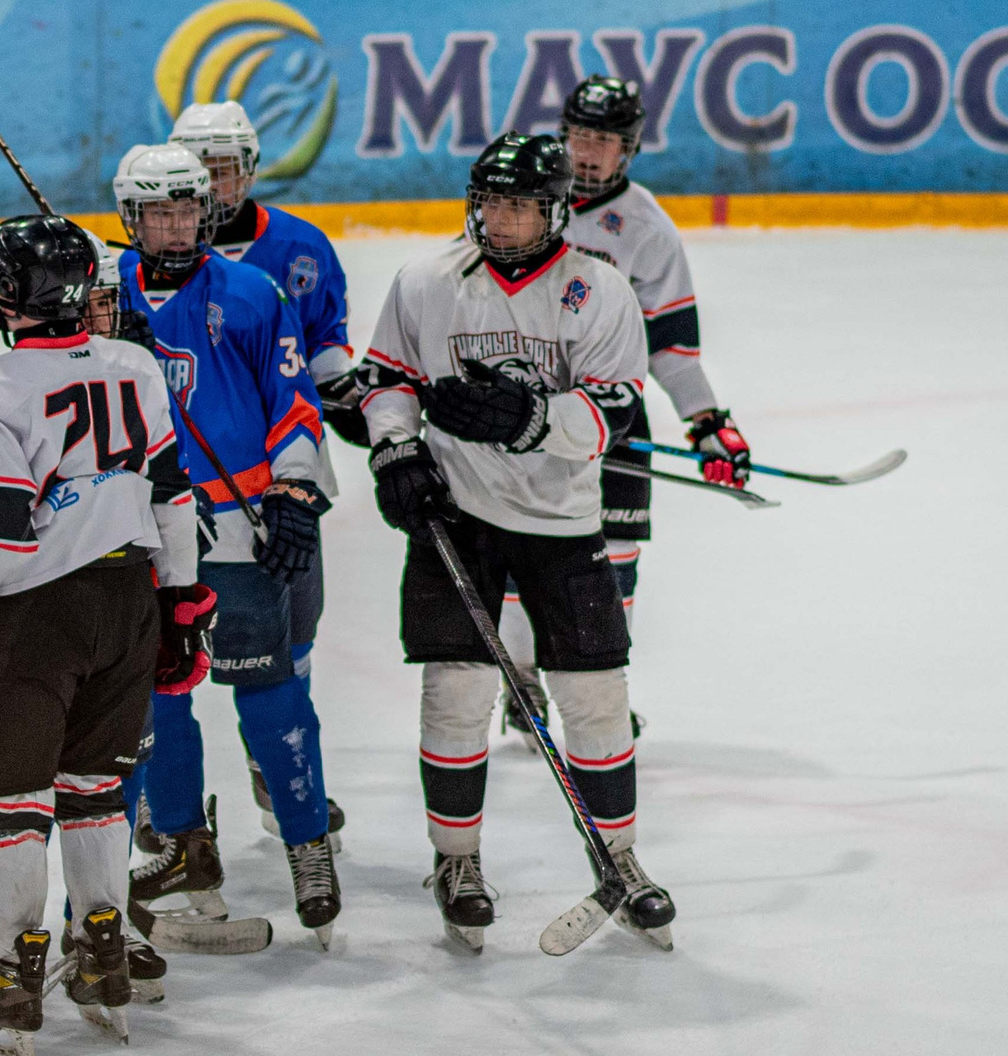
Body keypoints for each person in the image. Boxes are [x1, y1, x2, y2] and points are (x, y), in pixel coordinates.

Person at [357, 132, 675, 952]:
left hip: (561, 523)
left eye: (520, 206)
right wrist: (395, 448)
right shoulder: (427, 280)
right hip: (458, 516)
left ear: (555, 211)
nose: (500, 220)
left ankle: (619, 858)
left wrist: (535, 417)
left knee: (596, 696)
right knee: (455, 691)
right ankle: (456, 860)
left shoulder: (597, 290)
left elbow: (616, 410)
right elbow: (387, 379)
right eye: (491, 202)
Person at [0, 215, 210, 1056]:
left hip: (39, 617)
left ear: (9, 295)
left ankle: (10, 978)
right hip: (130, 603)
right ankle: (102, 954)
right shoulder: (137, 366)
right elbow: (172, 497)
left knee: (11, 801)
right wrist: (181, 604)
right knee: (94, 790)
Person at [99, 144, 340, 953]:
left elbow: (294, 403)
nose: (175, 227)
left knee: (268, 689)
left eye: (186, 210)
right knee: (158, 692)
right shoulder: (101, 296)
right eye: (157, 213)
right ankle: (181, 841)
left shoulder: (251, 293)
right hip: (144, 527)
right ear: (131, 217)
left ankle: (307, 842)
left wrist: (294, 490)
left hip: (236, 525)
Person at [493, 74, 753, 740]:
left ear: (628, 149)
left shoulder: (647, 229)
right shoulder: (527, 201)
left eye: (603, 141)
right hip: (528, 412)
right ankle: (521, 678)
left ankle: (604, 689)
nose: (587, 152)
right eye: (579, 136)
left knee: (615, 556)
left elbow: (672, 344)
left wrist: (707, 423)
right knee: (521, 548)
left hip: (612, 417)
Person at [171, 102, 355, 847]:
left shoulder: (301, 247)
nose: (212, 186)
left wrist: (352, 397)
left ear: (248, 169)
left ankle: (277, 768)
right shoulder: (149, 261)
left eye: (223, 169)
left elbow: (326, 350)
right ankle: (163, 799)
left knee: (293, 638)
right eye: (199, 170)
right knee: (159, 650)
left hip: (283, 479)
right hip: (184, 491)